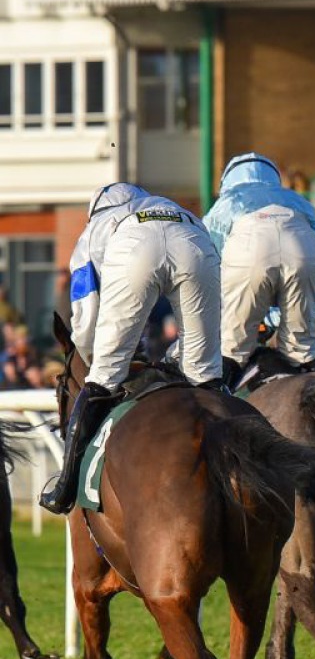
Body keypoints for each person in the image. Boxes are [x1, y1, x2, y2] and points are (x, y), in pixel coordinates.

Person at [40, 183, 223, 514]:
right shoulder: (168, 203)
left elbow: (87, 309)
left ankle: (65, 486)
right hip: (194, 237)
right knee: (206, 375)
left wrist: (99, 359)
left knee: (103, 377)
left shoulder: (94, 228)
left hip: (135, 247)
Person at [204, 153, 315, 389]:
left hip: (249, 252)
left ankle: (215, 397)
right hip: (302, 251)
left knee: (233, 350)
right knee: (302, 350)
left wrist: (253, 322)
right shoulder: (299, 200)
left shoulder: (226, 203)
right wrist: (276, 319)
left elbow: (209, 269)